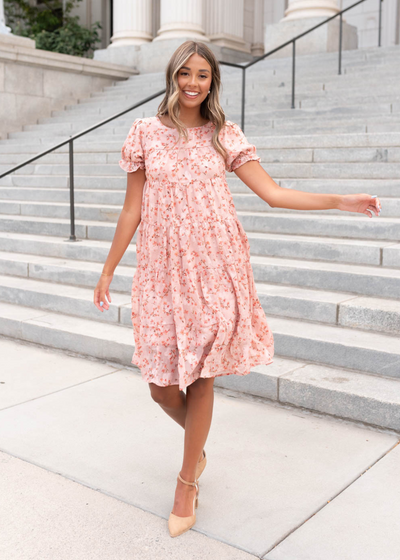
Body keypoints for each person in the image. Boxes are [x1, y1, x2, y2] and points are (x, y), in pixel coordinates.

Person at [93, 40, 381, 538]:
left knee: (202, 373)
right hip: (162, 270)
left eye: (202, 75)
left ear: (213, 81)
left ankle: (187, 482)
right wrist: (107, 270)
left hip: (215, 266)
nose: (192, 83)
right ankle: (197, 446)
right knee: (162, 387)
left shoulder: (224, 135)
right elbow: (131, 210)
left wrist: (339, 200)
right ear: (172, 76)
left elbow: (272, 193)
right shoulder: (144, 133)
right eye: (185, 73)